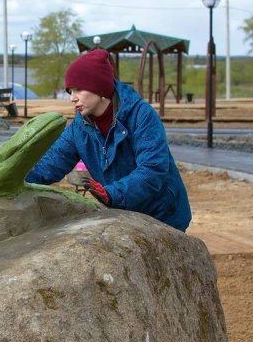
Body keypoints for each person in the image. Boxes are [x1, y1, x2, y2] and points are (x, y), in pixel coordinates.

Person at [26, 49, 191, 232]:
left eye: (79, 89)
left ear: (100, 88)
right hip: (125, 215)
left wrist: (113, 193)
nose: (72, 98)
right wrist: (14, 176)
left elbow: (153, 170)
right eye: (70, 91)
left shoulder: (141, 115)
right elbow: (50, 164)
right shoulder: (79, 128)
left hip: (164, 215)